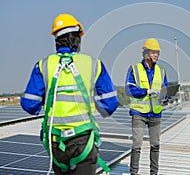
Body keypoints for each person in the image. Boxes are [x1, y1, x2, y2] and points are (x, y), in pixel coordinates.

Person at [20, 13, 119, 175]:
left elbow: (30, 105)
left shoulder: (43, 66)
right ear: (77, 39)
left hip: (55, 143)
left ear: (56, 40)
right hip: (83, 141)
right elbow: (110, 104)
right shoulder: (93, 64)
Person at [125, 38, 168, 175]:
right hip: (139, 113)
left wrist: (166, 98)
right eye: (154, 52)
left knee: (155, 146)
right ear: (146, 53)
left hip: (156, 113)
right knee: (137, 145)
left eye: (158, 53)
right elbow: (129, 90)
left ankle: (154, 173)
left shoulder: (161, 71)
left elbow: (165, 90)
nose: (156, 55)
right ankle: (134, 173)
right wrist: (146, 91)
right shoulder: (134, 69)